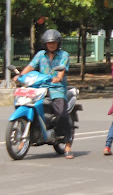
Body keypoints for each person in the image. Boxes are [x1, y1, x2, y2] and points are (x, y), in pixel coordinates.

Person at [14, 29, 73, 159]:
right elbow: (31, 66)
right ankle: (25, 137)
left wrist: (58, 77)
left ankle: (67, 144)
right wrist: (20, 75)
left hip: (56, 87)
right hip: (40, 86)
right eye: (49, 43)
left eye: (54, 43)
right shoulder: (41, 54)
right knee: (24, 103)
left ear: (58, 43)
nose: (51, 45)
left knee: (61, 112)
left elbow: (62, 69)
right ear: (45, 44)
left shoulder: (64, 55)